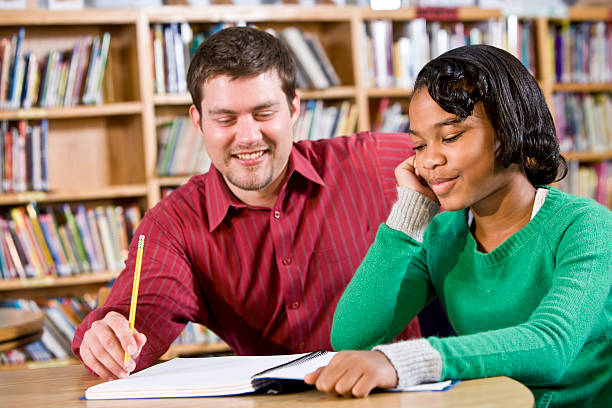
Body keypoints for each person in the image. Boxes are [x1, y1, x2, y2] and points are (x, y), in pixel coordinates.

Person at [71, 26, 421, 380]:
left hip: (394, 392)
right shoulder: (173, 225)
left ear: (294, 108)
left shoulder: (373, 162)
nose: (249, 136)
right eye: (225, 119)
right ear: (198, 121)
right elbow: (140, 315)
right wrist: (107, 337)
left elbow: (467, 156)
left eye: (264, 113)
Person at [304, 45, 612, 408]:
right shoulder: (441, 236)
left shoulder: (586, 226)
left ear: (511, 127)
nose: (429, 159)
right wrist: (408, 217)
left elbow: (551, 345)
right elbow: (352, 337)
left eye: (450, 136)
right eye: (418, 145)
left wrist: (407, 361)